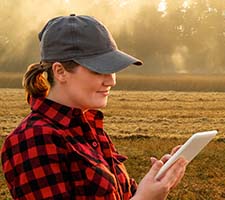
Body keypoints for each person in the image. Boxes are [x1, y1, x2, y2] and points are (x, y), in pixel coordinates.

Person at [1, 14, 189, 199]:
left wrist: (156, 183)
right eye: (100, 69)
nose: (111, 81)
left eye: (113, 70)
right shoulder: (34, 138)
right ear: (60, 72)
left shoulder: (88, 129)